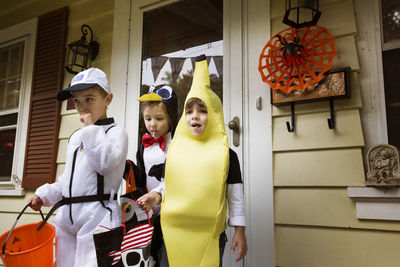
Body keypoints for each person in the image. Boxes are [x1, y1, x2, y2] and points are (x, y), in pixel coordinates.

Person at [138, 55, 247, 267]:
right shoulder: (175, 150)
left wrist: (240, 231)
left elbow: (235, 197)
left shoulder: (226, 155)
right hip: (174, 232)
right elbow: (168, 186)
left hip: (210, 236)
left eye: (203, 111)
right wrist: (156, 197)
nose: (194, 116)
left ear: (215, 115)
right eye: (189, 111)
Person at [28, 68, 128, 267]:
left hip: (97, 215)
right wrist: (44, 195)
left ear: (107, 99)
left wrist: (90, 129)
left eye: (89, 99)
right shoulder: (76, 137)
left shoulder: (116, 133)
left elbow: (104, 164)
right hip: (68, 217)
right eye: (77, 101)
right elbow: (68, 180)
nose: (82, 107)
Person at [134, 84, 178, 267]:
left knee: (167, 249)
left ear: (171, 118)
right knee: (150, 249)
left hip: (172, 207)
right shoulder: (143, 147)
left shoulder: (176, 144)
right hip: (149, 209)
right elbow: (140, 176)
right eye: (148, 118)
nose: (152, 124)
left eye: (159, 118)